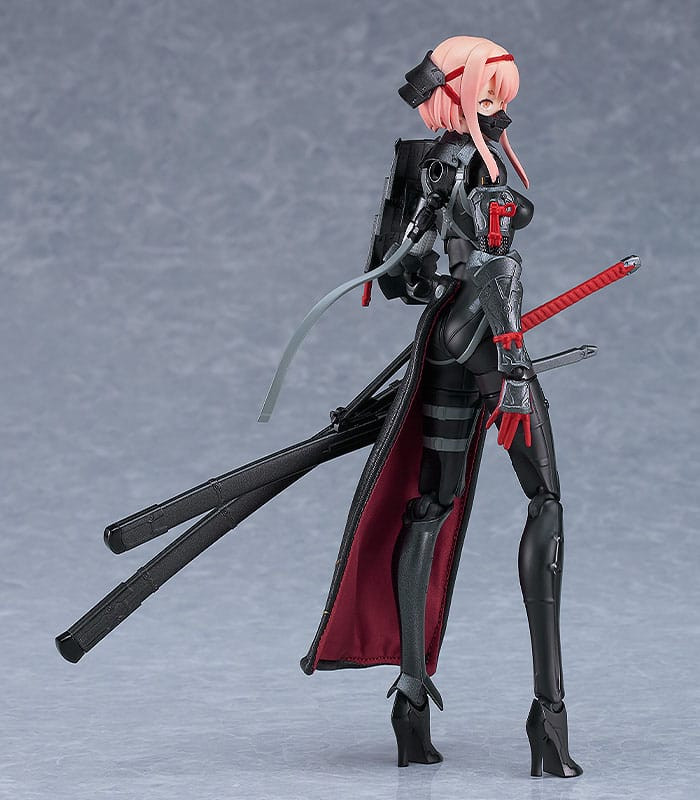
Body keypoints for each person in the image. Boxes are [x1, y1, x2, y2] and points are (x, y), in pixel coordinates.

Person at [301, 35, 582, 778]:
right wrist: (512, 365)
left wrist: (438, 284)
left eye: (501, 95)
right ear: (457, 91)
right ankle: (549, 714)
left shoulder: (428, 164)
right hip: (487, 332)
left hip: (446, 333)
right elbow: (497, 270)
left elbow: (401, 274)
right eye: (486, 92)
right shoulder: (475, 168)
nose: (497, 106)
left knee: (433, 502)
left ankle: (411, 701)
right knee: (545, 499)